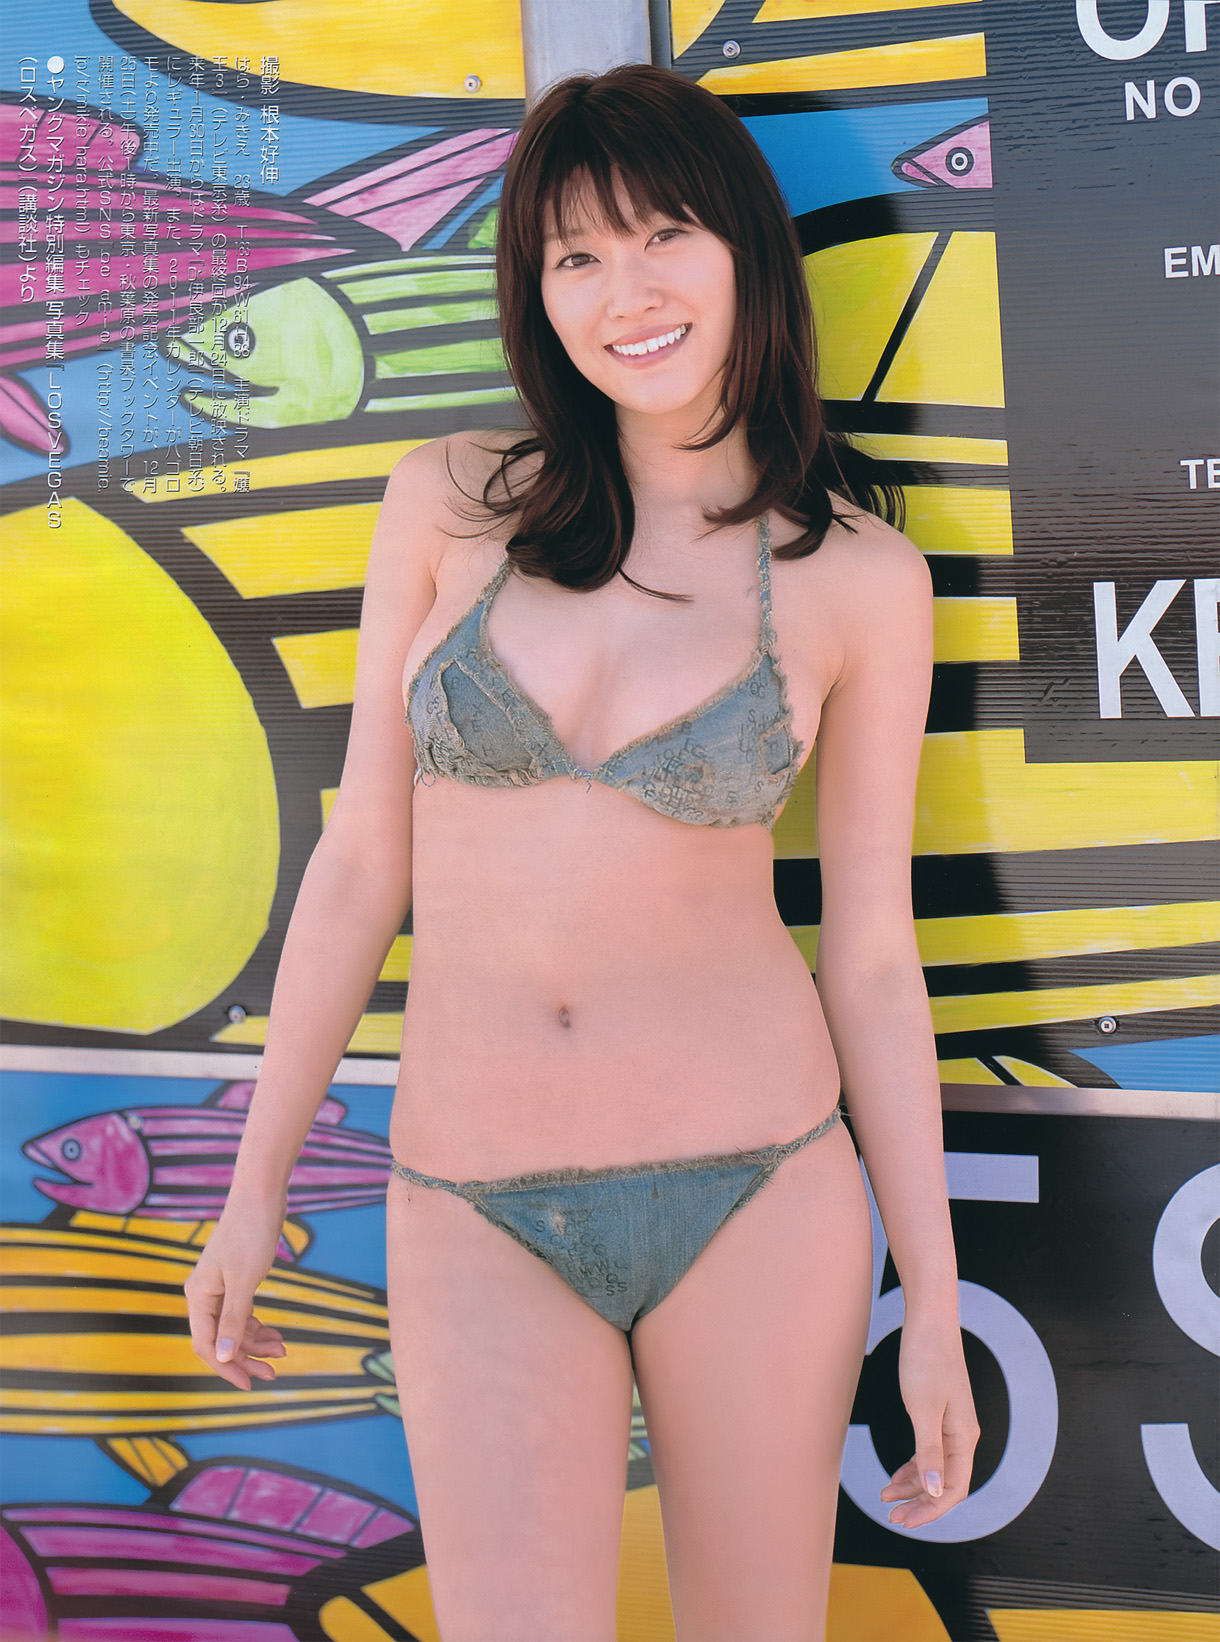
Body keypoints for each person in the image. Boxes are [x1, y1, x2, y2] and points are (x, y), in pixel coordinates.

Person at [186, 63, 980, 1642]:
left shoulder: (860, 578)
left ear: (745, 251)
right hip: (473, 1196)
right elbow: (359, 864)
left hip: (756, 1186)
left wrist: (938, 1305)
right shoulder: (447, 505)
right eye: (576, 255)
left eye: (665, 234)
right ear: (535, 290)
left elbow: (875, 959)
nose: (627, 293)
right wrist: (251, 1183)